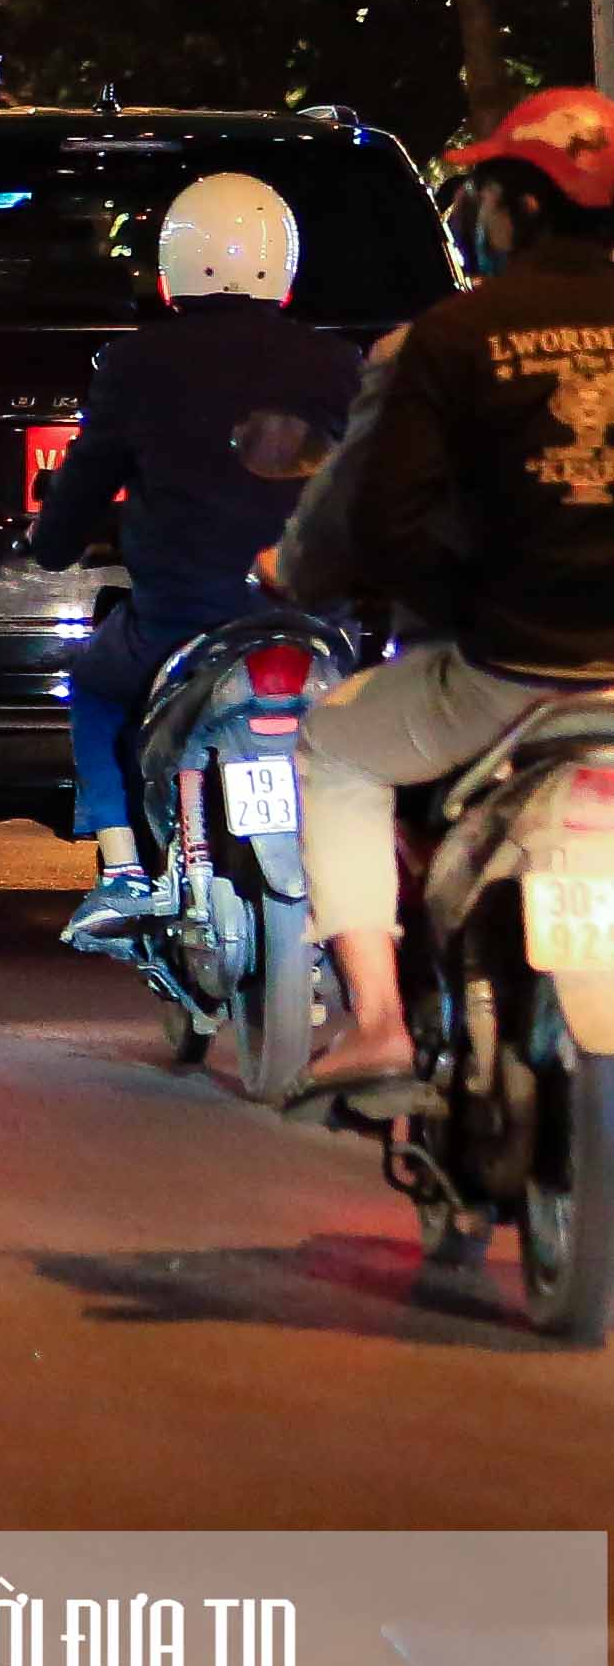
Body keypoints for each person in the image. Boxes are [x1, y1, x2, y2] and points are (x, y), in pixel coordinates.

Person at [275, 90, 614, 1095]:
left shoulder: (454, 337)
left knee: (332, 744)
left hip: (507, 670)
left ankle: (378, 1018)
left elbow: (377, 522)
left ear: (514, 210)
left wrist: (461, 600)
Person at [27, 174, 364, 949]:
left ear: (171, 267)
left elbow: (85, 483)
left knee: (95, 687)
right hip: (312, 619)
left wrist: (51, 544)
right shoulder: (338, 364)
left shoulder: (135, 364)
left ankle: (120, 873)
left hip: (182, 623)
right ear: (282, 265)